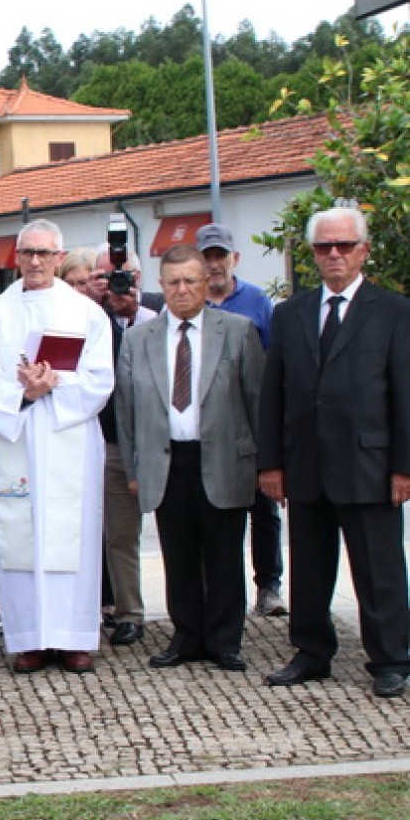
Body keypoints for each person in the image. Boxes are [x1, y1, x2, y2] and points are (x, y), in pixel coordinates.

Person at [257, 205, 410, 699]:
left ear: (363, 250)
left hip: (370, 463)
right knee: (308, 565)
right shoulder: (290, 314)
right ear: (313, 254)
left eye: (344, 245)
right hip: (306, 464)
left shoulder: (393, 312)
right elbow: (273, 393)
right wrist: (271, 462)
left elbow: (405, 394)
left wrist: (404, 467)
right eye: (325, 246)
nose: (335, 254)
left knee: (379, 568)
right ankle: (311, 652)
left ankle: (390, 658)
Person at [0, 219, 113, 674]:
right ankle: (29, 639)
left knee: (73, 535)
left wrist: (54, 382)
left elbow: (100, 378)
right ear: (16, 256)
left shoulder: (85, 312)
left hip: (69, 437)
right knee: (20, 533)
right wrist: (23, 394)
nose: (35, 261)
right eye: (27, 252)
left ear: (59, 258)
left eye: (44, 254)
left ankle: (72, 639)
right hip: (19, 437)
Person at [114, 245, 264, 671]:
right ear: (161, 286)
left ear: (205, 283)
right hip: (166, 461)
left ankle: (224, 640)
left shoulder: (238, 330)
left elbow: (256, 399)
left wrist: (262, 464)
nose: (182, 290)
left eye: (190, 281)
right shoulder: (139, 339)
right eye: (173, 282)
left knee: (223, 555)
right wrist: (134, 467)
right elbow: (126, 412)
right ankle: (186, 636)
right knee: (177, 555)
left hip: (222, 458)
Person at [197, 222, 286, 618]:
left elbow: (271, 363)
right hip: (206, 425)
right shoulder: (189, 300)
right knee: (216, 513)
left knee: (263, 508)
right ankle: (218, 591)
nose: (214, 264)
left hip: (250, 419)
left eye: (220, 256)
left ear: (235, 259)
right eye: (207, 257)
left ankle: (269, 585)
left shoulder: (256, 302)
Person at [93, 247, 152, 646]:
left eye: (124, 275)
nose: (116, 284)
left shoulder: (158, 316)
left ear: (140, 279)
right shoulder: (92, 322)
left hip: (161, 439)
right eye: (107, 277)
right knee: (121, 534)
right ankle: (129, 612)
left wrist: (133, 313)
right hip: (113, 442)